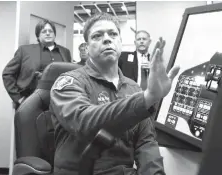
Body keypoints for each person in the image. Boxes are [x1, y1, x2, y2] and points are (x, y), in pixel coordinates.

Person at [50, 12, 179, 175]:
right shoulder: (68, 82)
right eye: (97, 36)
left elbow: (146, 143)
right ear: (87, 47)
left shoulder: (133, 88)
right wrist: (147, 98)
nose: (107, 39)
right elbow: (84, 122)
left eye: (113, 34)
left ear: (120, 42)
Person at [2, 19, 72, 109]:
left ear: (54, 34)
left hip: (60, 103)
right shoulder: (25, 50)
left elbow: (70, 75)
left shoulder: (65, 52)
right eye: (44, 31)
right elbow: (8, 74)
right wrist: (18, 98)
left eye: (50, 31)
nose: (48, 33)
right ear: (38, 36)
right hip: (30, 102)